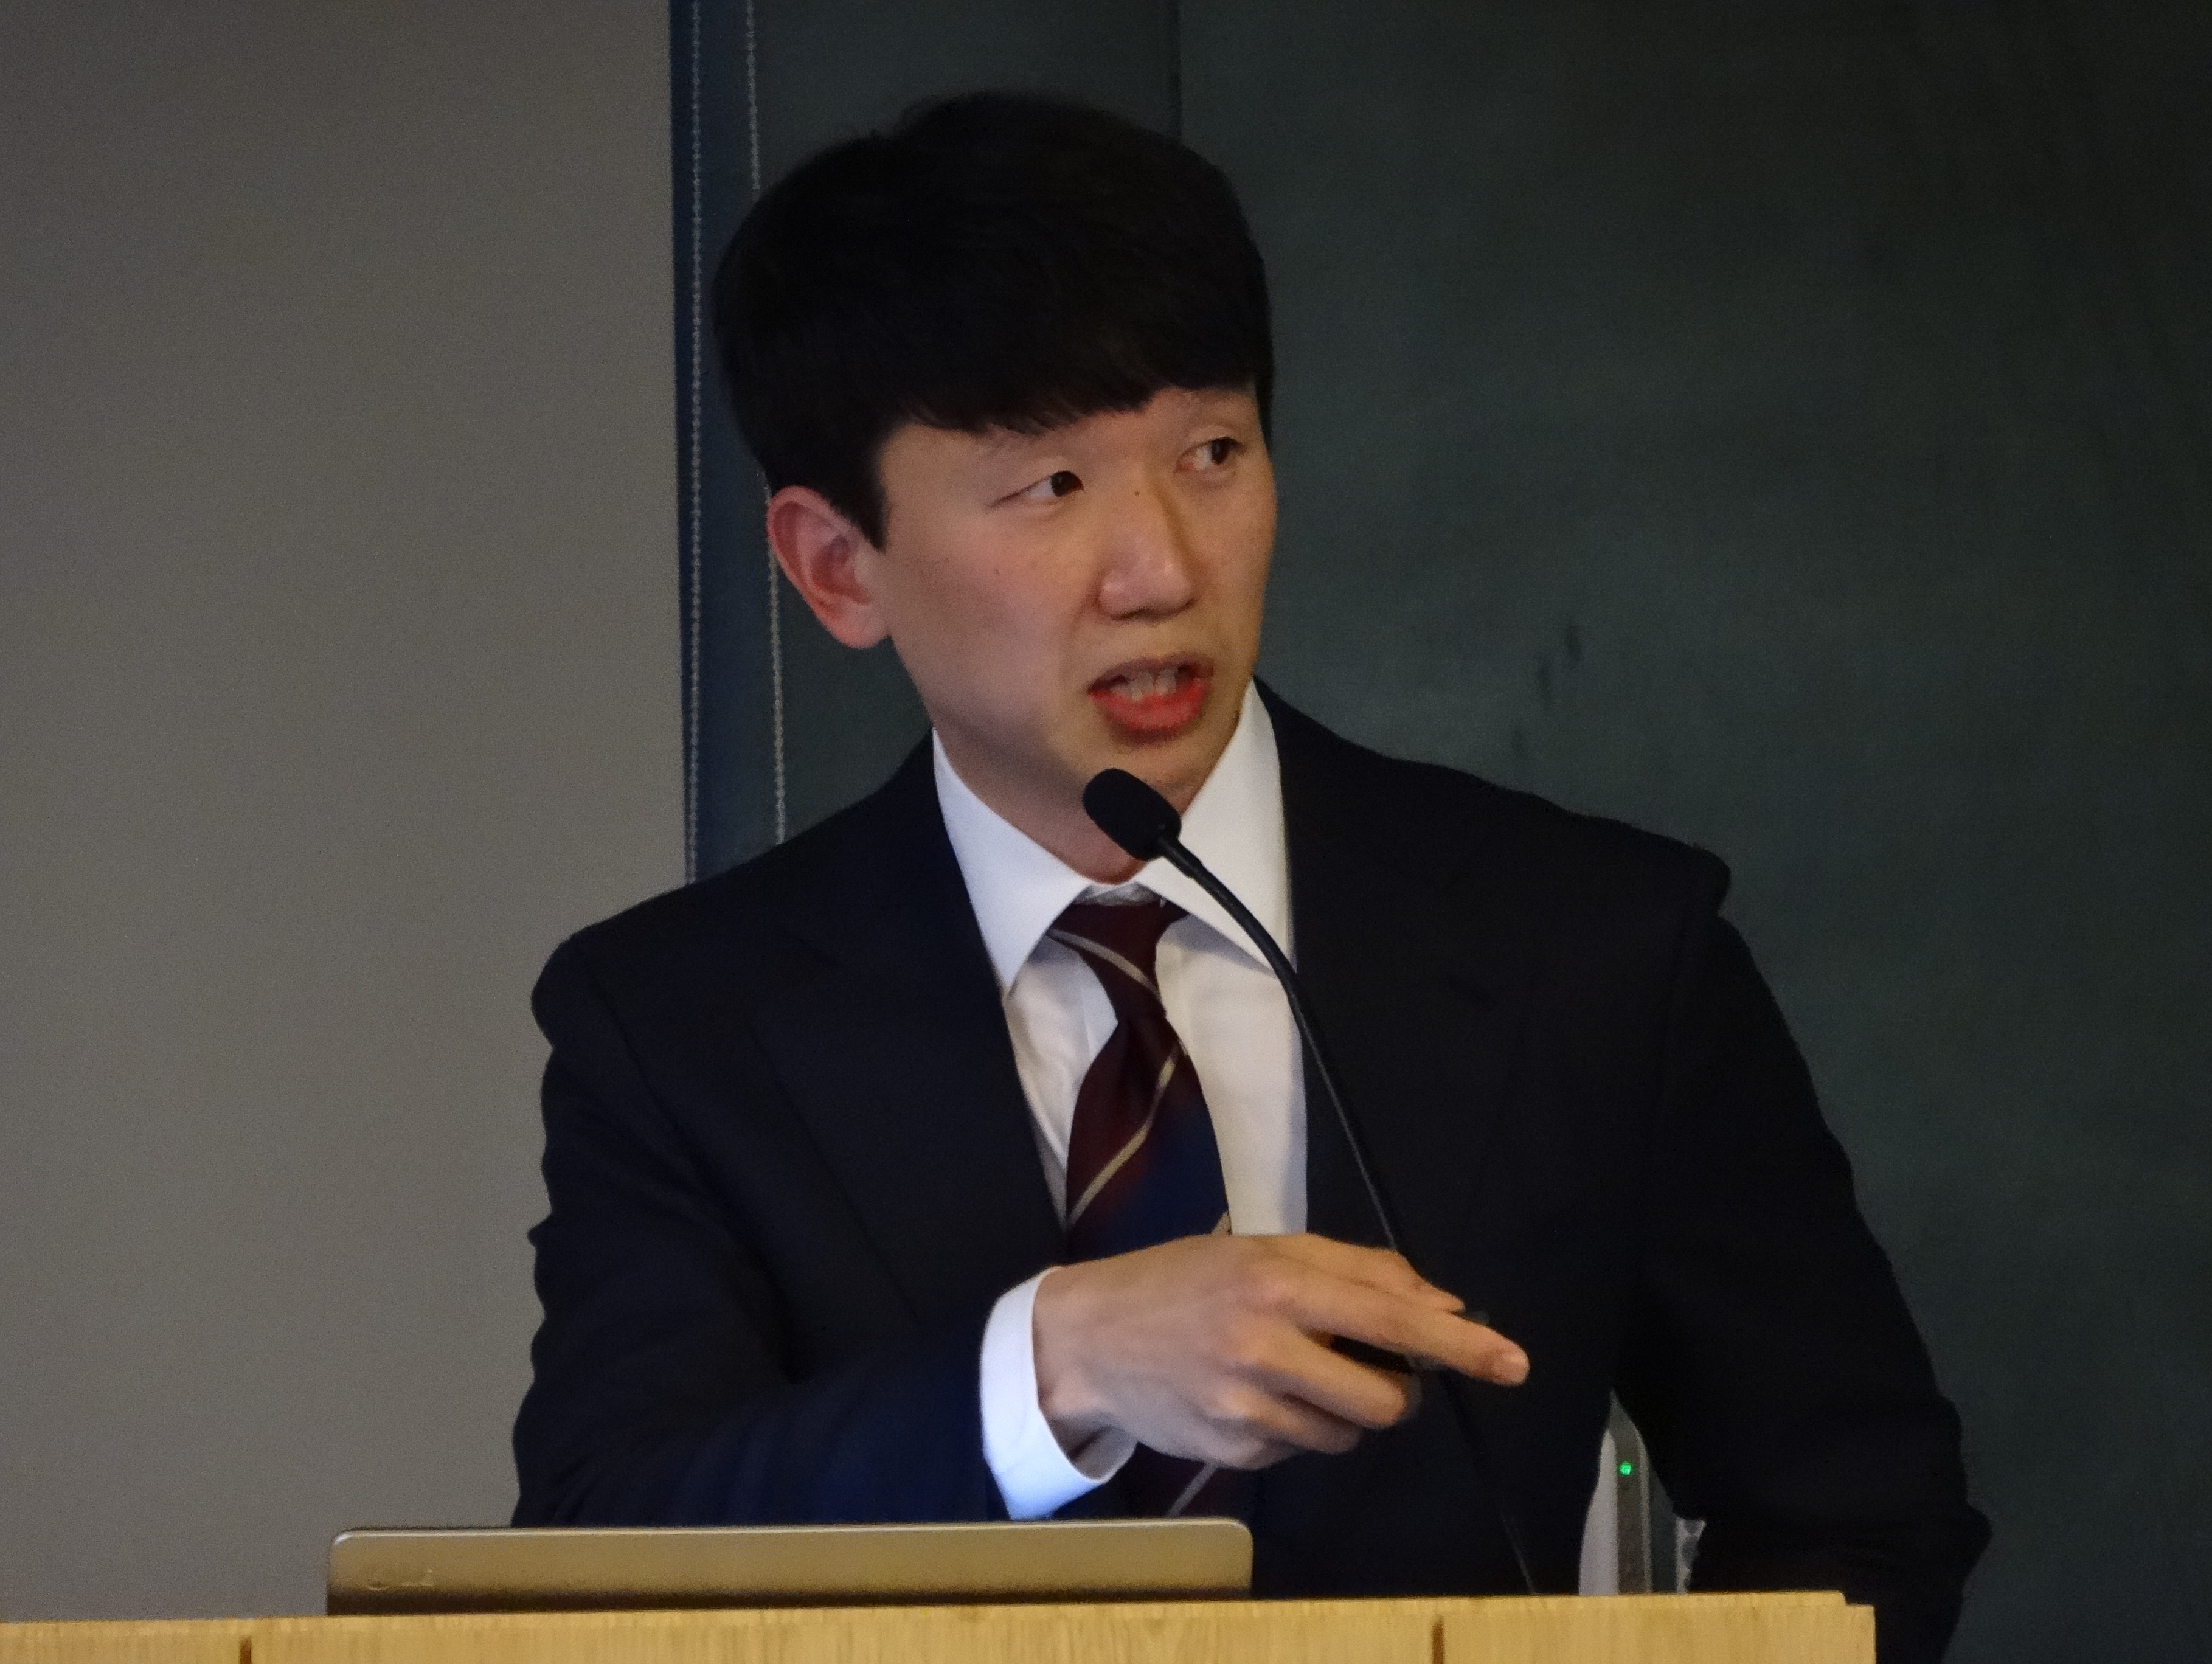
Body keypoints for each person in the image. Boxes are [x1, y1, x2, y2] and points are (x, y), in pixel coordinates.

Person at [511, 93, 1988, 1659]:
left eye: (1211, 452)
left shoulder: (1598, 946)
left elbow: (1860, 1520)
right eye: (1052, 487)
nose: (1162, 571)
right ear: (835, 566)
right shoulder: (675, 1023)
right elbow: (605, 1548)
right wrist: (1056, 1365)